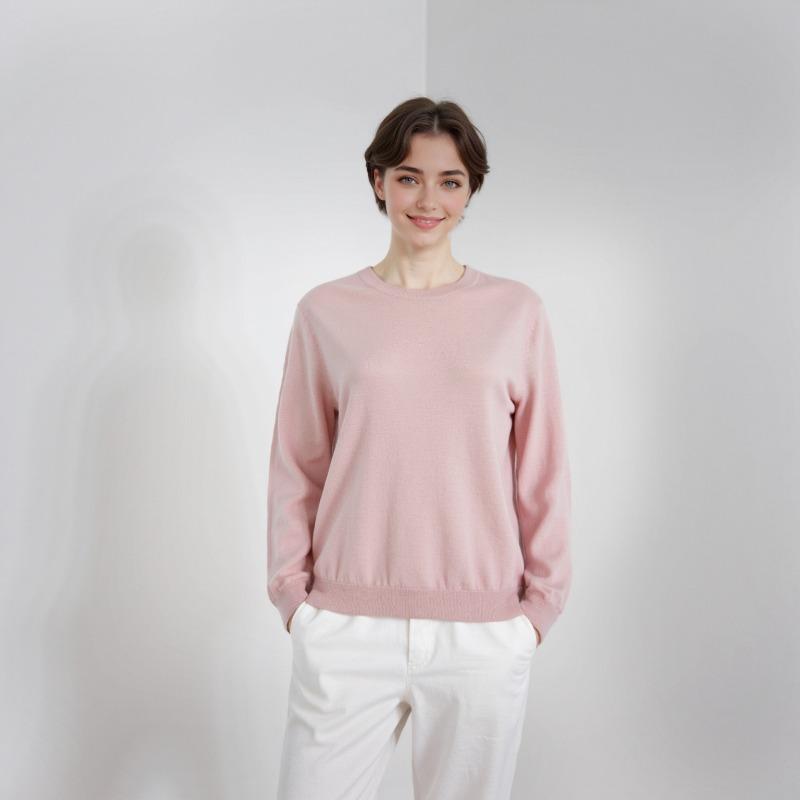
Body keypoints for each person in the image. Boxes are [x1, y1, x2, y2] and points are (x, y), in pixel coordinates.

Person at [267, 96, 572, 800]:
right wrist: (295, 598)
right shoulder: (325, 311)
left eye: (449, 181)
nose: (428, 200)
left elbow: (543, 469)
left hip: (483, 630)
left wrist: (537, 612)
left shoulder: (517, 312)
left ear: (470, 190)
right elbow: (298, 464)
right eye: (408, 177)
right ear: (378, 180)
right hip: (347, 625)